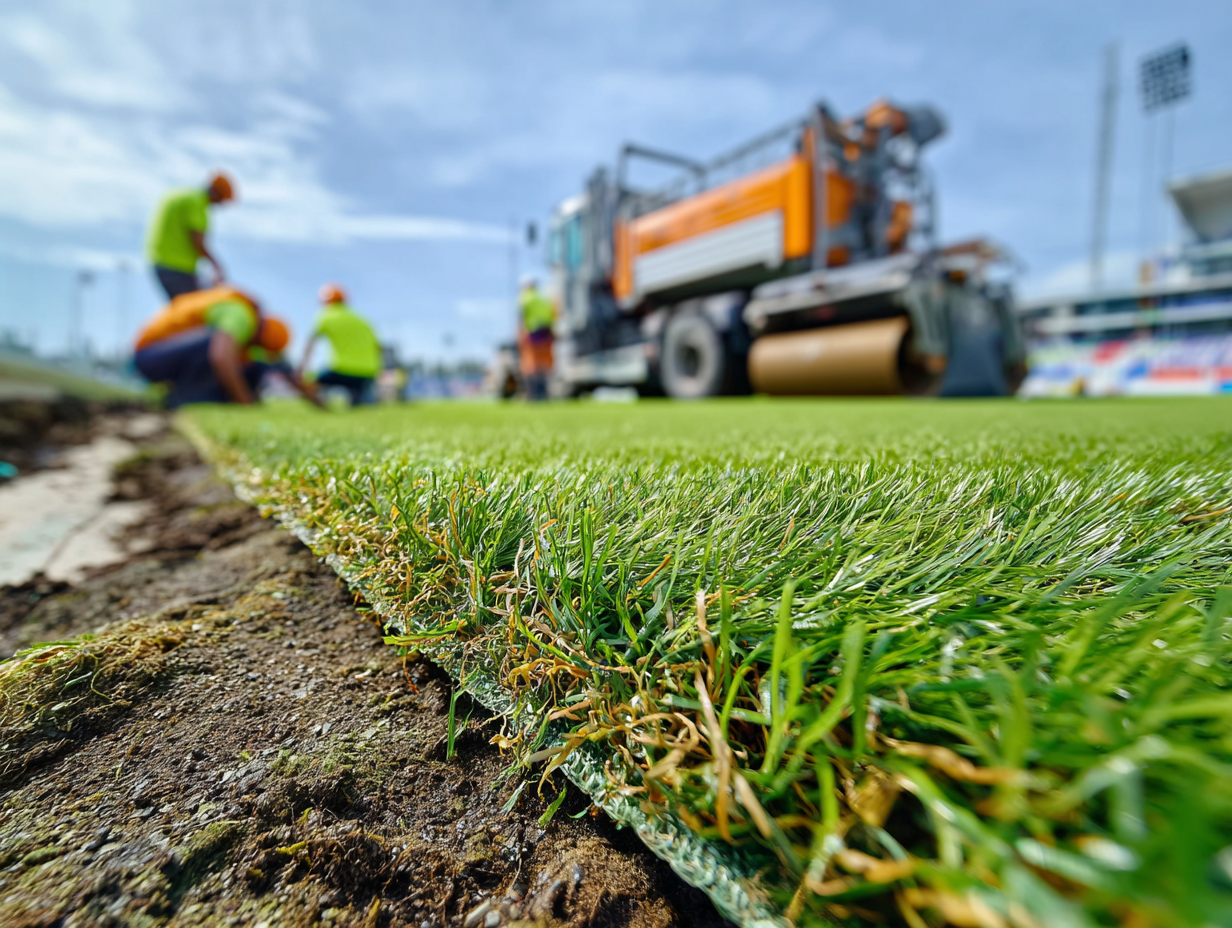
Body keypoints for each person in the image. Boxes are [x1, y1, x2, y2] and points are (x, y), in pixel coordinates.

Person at [132, 286, 316, 408]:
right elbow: (219, 357)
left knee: (241, 362)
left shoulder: (247, 326)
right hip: (150, 355)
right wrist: (245, 401)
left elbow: (269, 368)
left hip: (164, 354)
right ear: (261, 336)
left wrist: (311, 396)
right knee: (220, 346)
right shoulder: (242, 315)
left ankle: (191, 396)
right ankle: (184, 398)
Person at [146, 172, 235, 300]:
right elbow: (197, 241)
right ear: (217, 194)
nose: (218, 205)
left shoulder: (183, 195)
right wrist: (216, 265)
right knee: (195, 309)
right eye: (220, 201)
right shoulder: (197, 203)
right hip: (177, 267)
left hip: (159, 261)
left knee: (183, 308)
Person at [296, 284, 382, 407]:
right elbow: (378, 348)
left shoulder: (326, 315)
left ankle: (324, 407)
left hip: (341, 370)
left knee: (304, 384)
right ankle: (360, 399)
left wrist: (300, 370)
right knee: (358, 403)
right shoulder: (362, 320)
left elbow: (311, 345)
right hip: (368, 372)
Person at [517, 274, 555, 401]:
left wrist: (520, 333)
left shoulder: (525, 297)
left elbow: (522, 316)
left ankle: (532, 395)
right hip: (546, 333)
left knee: (530, 365)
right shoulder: (544, 298)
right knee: (543, 365)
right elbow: (551, 315)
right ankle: (544, 394)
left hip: (533, 334)